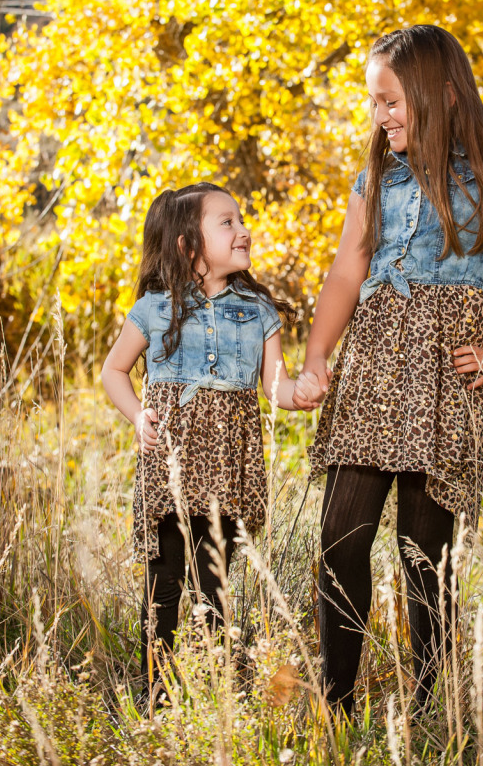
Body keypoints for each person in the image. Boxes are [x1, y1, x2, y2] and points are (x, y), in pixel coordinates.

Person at [294, 25, 483, 720]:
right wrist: (316, 355)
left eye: (392, 100)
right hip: (369, 370)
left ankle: (431, 710)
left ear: (443, 96)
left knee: (423, 551)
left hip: (445, 384)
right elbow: (346, 272)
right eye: (373, 102)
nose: (381, 115)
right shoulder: (375, 180)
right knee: (340, 539)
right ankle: (336, 702)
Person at [102, 182, 315, 703]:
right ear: (186, 245)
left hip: (228, 464)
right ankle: (159, 692)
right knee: (165, 580)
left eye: (241, 219)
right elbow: (113, 371)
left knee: (214, 580)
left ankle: (213, 691)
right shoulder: (154, 308)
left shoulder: (258, 311)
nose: (243, 229)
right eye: (227, 222)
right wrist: (137, 414)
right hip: (170, 459)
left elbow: (274, 386)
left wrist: (301, 392)